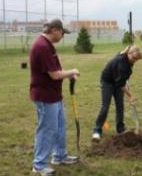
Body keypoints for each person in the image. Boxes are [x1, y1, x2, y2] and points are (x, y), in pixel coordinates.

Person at [29, 19, 80, 175]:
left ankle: (59, 155)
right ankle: (39, 164)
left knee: (60, 127)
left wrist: (67, 75)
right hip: (45, 96)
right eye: (62, 32)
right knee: (47, 130)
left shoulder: (48, 45)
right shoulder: (42, 46)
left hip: (54, 95)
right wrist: (71, 72)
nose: (63, 35)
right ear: (55, 30)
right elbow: (54, 74)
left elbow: (57, 69)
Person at [92, 45, 142, 140]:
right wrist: (130, 95)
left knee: (120, 105)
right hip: (108, 82)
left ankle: (120, 129)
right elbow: (120, 84)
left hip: (118, 81)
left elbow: (122, 80)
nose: (134, 61)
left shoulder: (127, 56)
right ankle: (97, 130)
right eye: (134, 58)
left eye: (137, 59)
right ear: (129, 53)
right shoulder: (120, 62)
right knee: (105, 106)